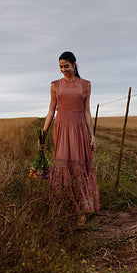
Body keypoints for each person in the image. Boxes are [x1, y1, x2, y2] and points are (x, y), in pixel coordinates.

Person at [42, 51, 100, 222]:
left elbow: (87, 111)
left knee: (78, 166)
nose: (63, 70)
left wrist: (92, 136)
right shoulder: (55, 85)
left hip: (79, 127)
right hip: (61, 127)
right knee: (62, 164)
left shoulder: (86, 85)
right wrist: (43, 132)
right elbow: (51, 111)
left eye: (66, 66)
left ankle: (82, 209)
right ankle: (63, 206)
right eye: (60, 67)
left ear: (74, 64)